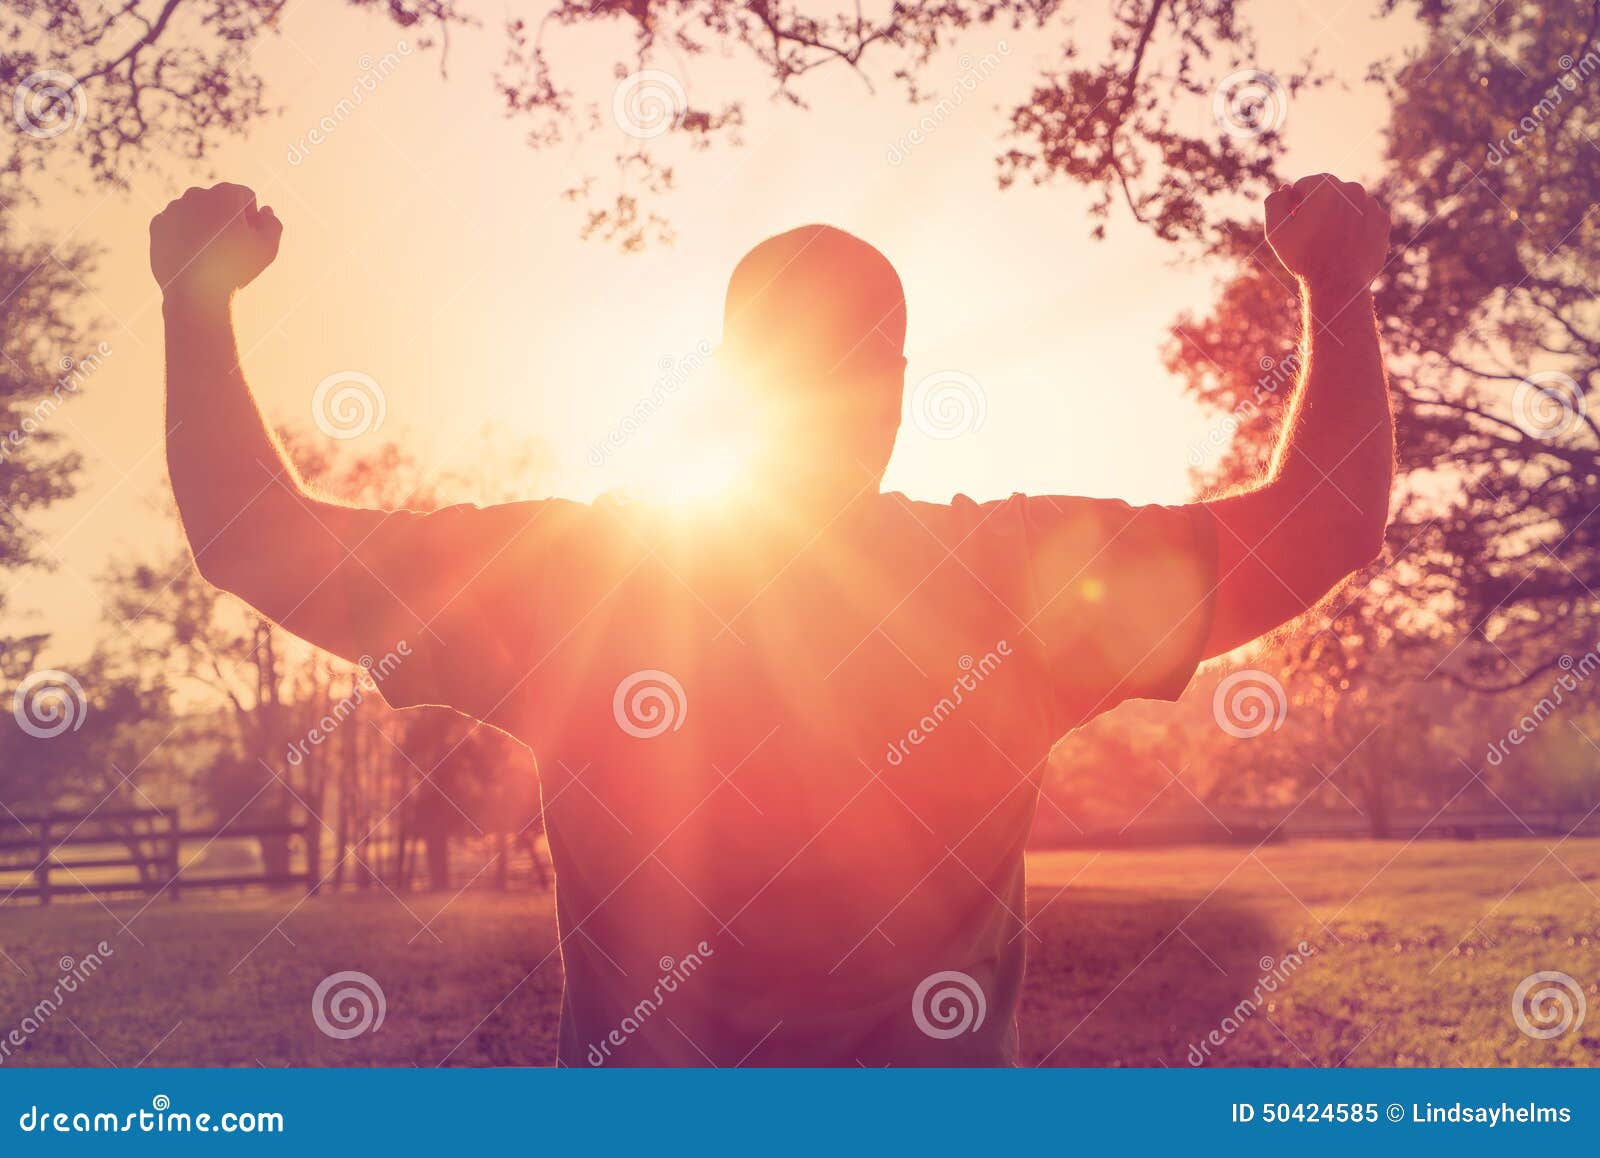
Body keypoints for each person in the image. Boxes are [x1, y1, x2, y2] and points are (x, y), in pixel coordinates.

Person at [151, 174, 1392, 1065]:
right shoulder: (1007, 578)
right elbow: (1324, 526)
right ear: (898, 387)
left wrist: (196, 311)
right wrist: (1336, 288)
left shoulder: (576, 580)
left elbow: (253, 541)